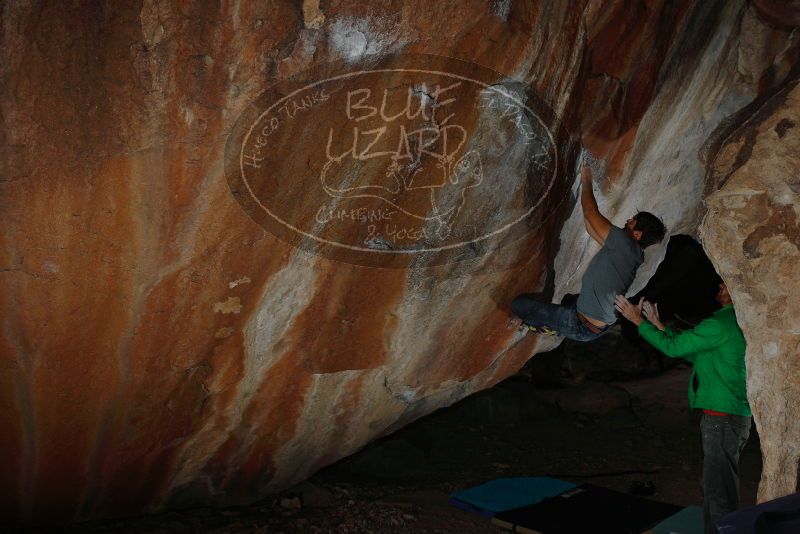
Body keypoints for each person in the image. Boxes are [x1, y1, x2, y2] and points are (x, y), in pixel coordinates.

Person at [614, 284, 751, 534]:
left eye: (725, 283)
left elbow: (673, 348)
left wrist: (638, 321)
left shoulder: (719, 325)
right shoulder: (734, 323)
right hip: (731, 416)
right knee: (718, 484)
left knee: (718, 488)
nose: (719, 285)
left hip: (722, 417)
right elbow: (693, 354)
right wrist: (657, 324)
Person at [510, 162, 666, 342]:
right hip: (595, 324)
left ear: (637, 234)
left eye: (633, 221)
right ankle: (560, 323)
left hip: (579, 324)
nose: (629, 220)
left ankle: (543, 326)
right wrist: (587, 213)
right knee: (568, 299)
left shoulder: (624, 243)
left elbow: (591, 213)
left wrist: (586, 179)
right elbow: (592, 227)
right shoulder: (632, 253)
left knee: (519, 305)